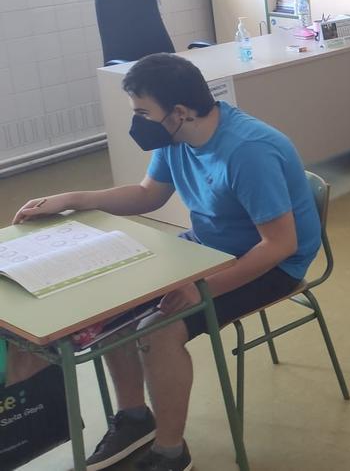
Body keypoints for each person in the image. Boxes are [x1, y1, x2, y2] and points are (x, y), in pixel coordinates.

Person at [12, 53, 321, 471]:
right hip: (206, 250)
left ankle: (170, 451)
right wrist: (73, 199)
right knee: (111, 310)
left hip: (269, 264)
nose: (136, 122)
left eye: (142, 112)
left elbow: (279, 245)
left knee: (157, 332)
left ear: (179, 112)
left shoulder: (249, 151)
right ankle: (134, 418)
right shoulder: (176, 137)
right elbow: (147, 195)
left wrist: (202, 288)